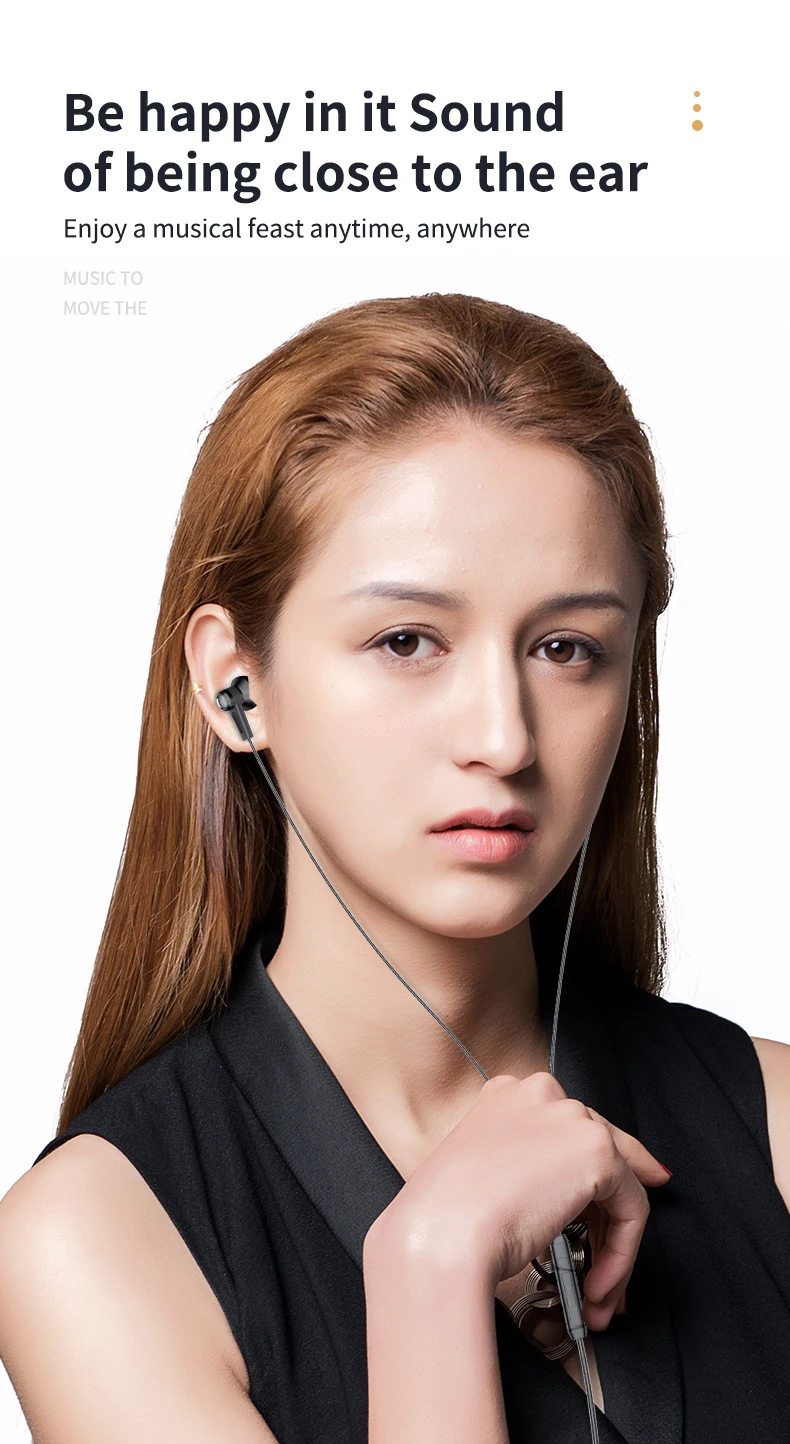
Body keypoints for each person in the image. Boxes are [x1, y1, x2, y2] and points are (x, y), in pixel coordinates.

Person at [1, 292, 789, 1444]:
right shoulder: (95, 1242)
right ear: (236, 686)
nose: (504, 738)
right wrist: (430, 1270)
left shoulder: (773, 1127)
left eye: (566, 648)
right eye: (407, 640)